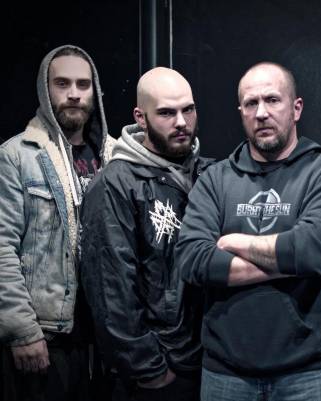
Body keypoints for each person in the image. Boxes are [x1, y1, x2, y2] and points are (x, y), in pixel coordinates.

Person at [174, 62, 321, 401]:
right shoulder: (215, 179)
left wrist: (235, 242)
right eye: (251, 103)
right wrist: (290, 261)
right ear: (241, 112)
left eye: (272, 100)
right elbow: (193, 259)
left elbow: (312, 250)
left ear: (296, 108)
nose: (262, 113)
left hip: (309, 373)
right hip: (226, 373)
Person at [79, 67, 209, 401]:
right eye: (166, 113)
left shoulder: (208, 174)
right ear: (141, 117)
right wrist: (148, 370)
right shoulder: (115, 184)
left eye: (188, 109)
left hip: (208, 363)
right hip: (159, 372)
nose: (181, 122)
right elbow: (111, 289)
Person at [0, 44, 115, 401]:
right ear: (44, 89)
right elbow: (2, 247)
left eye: (83, 84)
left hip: (104, 340)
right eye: (62, 83)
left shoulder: (115, 157)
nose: (74, 94)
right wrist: (22, 331)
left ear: (95, 91)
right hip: (48, 338)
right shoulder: (17, 156)